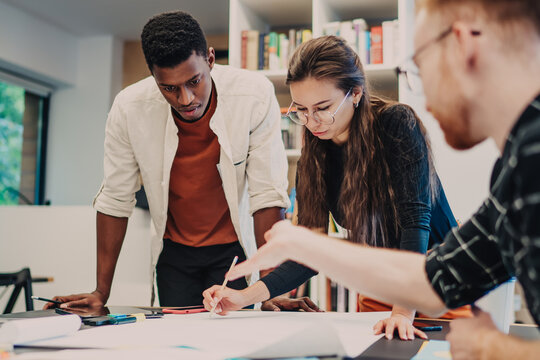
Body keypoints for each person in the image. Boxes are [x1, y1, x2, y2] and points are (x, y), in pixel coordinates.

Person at [209, 0, 540, 359]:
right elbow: (444, 274)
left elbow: (421, 231)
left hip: (416, 285)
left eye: (418, 68)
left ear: (465, 46)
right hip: (395, 282)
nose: (423, 93)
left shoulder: (525, 156)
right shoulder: (513, 174)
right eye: (302, 111)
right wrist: (258, 287)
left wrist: (405, 310)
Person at [203, 35, 464, 341]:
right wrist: (244, 297)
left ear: (355, 92)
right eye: (301, 110)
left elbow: (415, 222)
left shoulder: (396, 123)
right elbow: (309, 252)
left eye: (323, 107)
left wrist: (402, 313)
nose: (312, 122)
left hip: (440, 282)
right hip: (384, 287)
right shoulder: (314, 156)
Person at [44, 11, 289, 308]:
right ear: (153, 76)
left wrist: (271, 289)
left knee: (235, 345)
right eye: (169, 88)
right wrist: (101, 291)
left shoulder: (253, 94)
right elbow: (115, 198)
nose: (185, 99)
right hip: (174, 255)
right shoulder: (129, 108)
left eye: (194, 81)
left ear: (210, 60)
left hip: (235, 251)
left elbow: (267, 195)